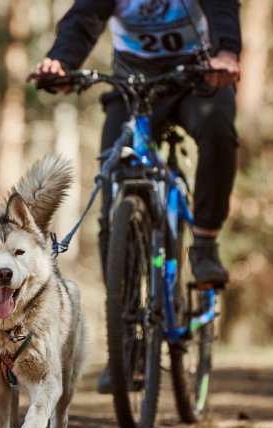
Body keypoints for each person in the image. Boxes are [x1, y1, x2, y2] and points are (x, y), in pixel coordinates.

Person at [29, 0, 241, 287]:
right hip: (135, 82)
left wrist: (227, 53)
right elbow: (84, 17)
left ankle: (204, 245)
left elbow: (222, 7)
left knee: (218, 129)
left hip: (196, 76)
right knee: (112, 163)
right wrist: (61, 62)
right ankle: (120, 293)